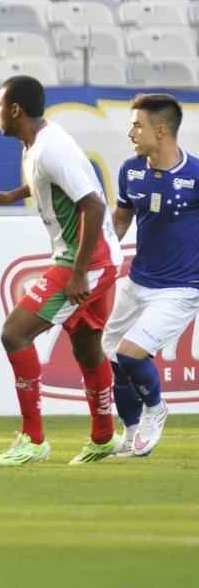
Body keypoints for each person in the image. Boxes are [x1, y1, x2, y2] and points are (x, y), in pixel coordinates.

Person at [0, 76, 122, 467]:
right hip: (94, 260)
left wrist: (77, 274)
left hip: (86, 262)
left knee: (14, 333)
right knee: (87, 348)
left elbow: (93, 205)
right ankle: (104, 437)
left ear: (15, 110)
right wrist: (12, 195)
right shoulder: (38, 143)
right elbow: (48, 182)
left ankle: (33, 438)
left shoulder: (50, 149)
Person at [104, 94, 199, 458]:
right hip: (137, 282)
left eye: (137, 125)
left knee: (130, 354)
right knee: (113, 356)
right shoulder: (131, 171)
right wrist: (105, 252)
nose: (131, 132)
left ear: (161, 131)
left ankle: (155, 410)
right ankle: (129, 435)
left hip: (180, 289)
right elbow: (122, 217)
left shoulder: (195, 175)